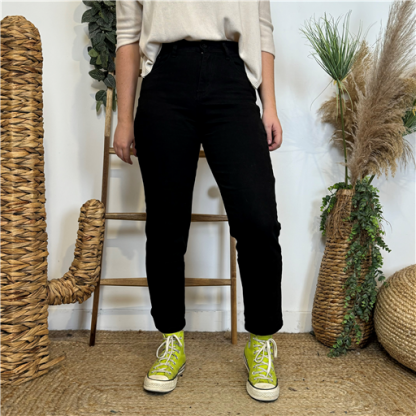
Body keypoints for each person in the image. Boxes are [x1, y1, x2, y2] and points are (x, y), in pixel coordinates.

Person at [114, 0, 283, 403]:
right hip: (165, 82)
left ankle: (261, 341)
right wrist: (124, 118)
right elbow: (128, 36)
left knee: (258, 221)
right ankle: (171, 338)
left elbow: (262, 29)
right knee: (166, 225)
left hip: (232, 79)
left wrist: (270, 106)